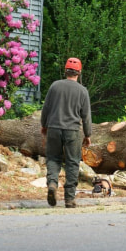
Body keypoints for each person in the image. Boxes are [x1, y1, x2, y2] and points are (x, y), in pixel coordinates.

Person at [41, 57, 92, 208]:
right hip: (73, 131)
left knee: (53, 159)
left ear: (65, 71)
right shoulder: (82, 91)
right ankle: (69, 199)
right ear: (79, 72)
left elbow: (46, 108)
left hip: (54, 128)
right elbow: (86, 115)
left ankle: (52, 184)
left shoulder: (55, 86)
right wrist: (88, 134)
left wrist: (44, 125)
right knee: (72, 162)